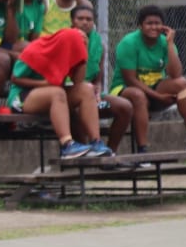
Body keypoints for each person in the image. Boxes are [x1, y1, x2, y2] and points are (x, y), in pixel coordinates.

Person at [109, 5, 186, 153]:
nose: (154, 27)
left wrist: (170, 44)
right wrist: (158, 97)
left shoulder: (165, 42)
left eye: (157, 23)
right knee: (138, 95)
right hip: (125, 90)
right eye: (149, 23)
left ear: (163, 26)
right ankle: (142, 150)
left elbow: (176, 74)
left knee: (182, 83)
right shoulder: (129, 43)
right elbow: (130, 80)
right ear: (140, 26)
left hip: (154, 89)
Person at [7, 28, 113, 158]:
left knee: (86, 89)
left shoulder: (65, 54)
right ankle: (67, 145)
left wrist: (83, 54)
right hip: (22, 96)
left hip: (53, 95)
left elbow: (78, 81)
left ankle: (96, 143)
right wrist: (45, 84)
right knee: (57, 92)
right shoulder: (35, 50)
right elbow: (15, 78)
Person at [70, 5, 133, 153]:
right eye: (80, 19)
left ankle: (109, 153)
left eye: (89, 19)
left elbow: (98, 78)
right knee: (77, 109)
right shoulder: (64, 39)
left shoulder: (99, 44)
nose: (85, 22)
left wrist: (97, 88)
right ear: (72, 21)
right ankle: (83, 152)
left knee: (125, 106)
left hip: (91, 94)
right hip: (69, 95)